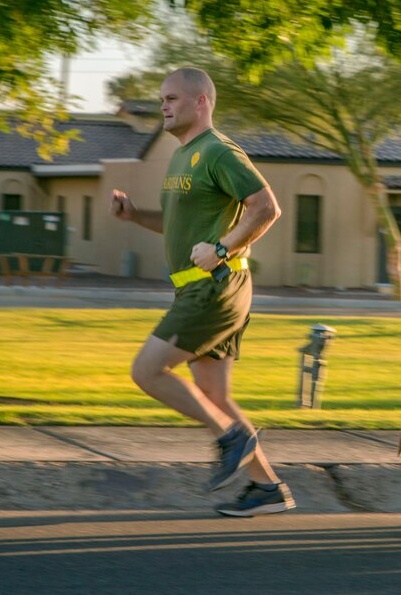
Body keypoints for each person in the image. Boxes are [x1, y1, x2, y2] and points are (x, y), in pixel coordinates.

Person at [110, 67, 293, 517]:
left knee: (147, 371)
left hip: (214, 289)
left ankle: (231, 437)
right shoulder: (181, 157)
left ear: (201, 102)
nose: (164, 107)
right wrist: (136, 216)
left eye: (172, 99)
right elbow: (176, 226)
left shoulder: (217, 151)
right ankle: (267, 488)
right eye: (161, 101)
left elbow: (267, 207)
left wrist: (222, 247)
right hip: (197, 289)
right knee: (215, 396)